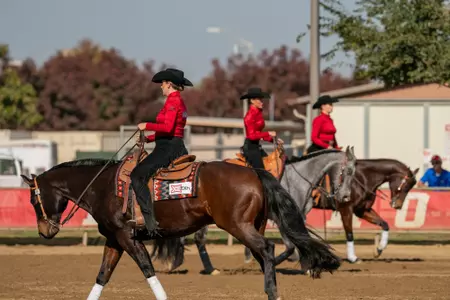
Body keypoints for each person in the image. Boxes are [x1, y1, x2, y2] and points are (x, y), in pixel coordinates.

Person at [131, 68, 192, 236]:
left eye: (163, 84)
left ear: (169, 84)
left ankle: (148, 221)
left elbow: (167, 127)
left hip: (168, 148)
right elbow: (171, 130)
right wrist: (148, 139)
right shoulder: (178, 101)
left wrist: (146, 125)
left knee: (137, 176)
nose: (161, 87)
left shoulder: (173, 101)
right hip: (175, 144)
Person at [240, 87, 283, 169]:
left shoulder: (258, 114)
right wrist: (268, 133)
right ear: (252, 101)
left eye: (262, 99)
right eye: (259, 100)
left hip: (256, 147)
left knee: (270, 165)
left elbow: (259, 134)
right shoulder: (249, 116)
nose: (262, 102)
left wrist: (274, 140)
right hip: (250, 148)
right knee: (262, 172)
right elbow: (251, 136)